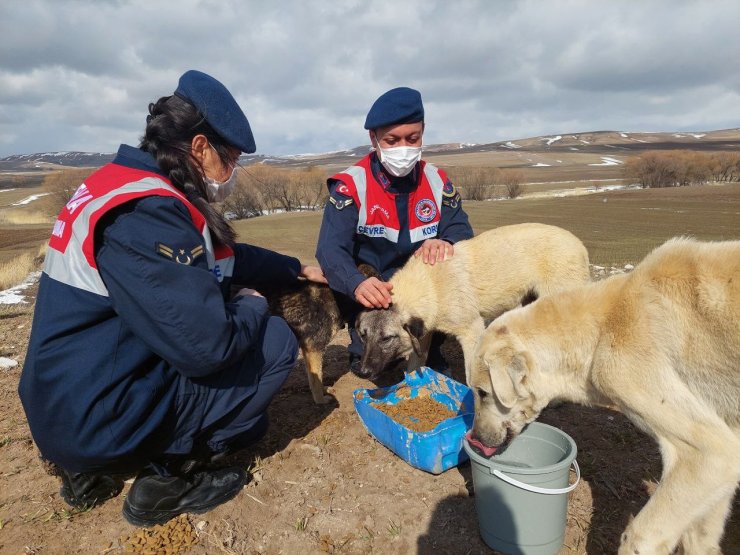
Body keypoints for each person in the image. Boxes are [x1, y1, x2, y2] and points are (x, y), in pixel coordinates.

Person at [18, 70, 327, 527]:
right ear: (201, 149)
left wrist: (293, 267)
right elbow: (207, 349)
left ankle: (92, 470)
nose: (233, 175)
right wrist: (253, 302)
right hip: (97, 420)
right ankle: (169, 479)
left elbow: (220, 256)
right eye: (232, 161)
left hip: (65, 400)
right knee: (274, 342)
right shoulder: (148, 214)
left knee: (250, 417)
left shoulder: (120, 184)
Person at [315, 87, 473, 372]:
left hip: (420, 292)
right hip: (373, 291)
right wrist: (356, 283)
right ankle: (364, 336)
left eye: (413, 139)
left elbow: (461, 228)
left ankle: (428, 344)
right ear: (373, 139)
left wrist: (447, 241)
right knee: (374, 363)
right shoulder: (351, 186)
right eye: (392, 140)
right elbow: (329, 250)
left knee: (428, 360)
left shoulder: (437, 180)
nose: (404, 148)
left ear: (423, 133)